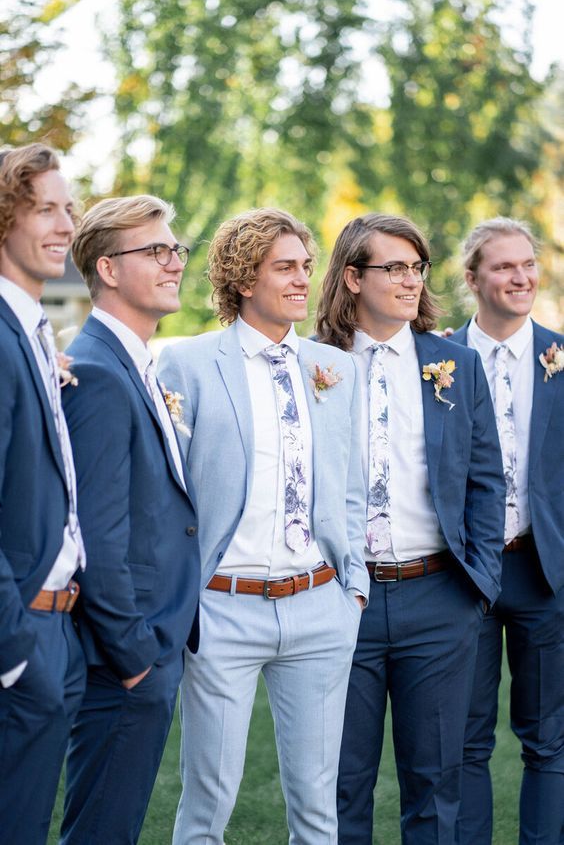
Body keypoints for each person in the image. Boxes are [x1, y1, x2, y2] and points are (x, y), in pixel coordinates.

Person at [157, 206, 369, 845]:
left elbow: (350, 487)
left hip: (319, 607)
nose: (304, 279)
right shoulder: (186, 365)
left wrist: (351, 590)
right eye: (285, 268)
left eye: (306, 266)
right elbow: (168, 496)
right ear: (244, 279)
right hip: (222, 610)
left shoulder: (335, 368)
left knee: (316, 807)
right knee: (207, 807)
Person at [315, 212, 505, 844]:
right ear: (351, 277)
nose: (411, 281)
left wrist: (478, 585)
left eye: (417, 268)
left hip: (439, 595)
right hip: (344, 598)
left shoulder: (454, 364)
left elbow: (486, 480)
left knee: (436, 783)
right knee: (340, 784)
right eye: (393, 267)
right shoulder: (313, 365)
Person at [59, 195, 201, 845]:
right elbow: (96, 533)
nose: (175, 262)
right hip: (123, 662)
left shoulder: (134, 361)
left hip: (145, 649)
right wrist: (136, 656)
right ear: (110, 269)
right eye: (157, 250)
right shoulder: (98, 370)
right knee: (101, 832)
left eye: (176, 249)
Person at [449, 217, 564, 845]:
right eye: (503, 266)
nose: (521, 277)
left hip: (545, 571)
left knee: (549, 739)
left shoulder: (563, 356)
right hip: (463, 573)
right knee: (463, 739)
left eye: (527, 264)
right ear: (473, 279)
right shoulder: (435, 358)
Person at [0, 143, 86, 845]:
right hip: (18, 633)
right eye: (45, 210)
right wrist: (14, 655)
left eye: (69, 209)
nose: (66, 226)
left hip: (57, 627)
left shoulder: (33, 331)